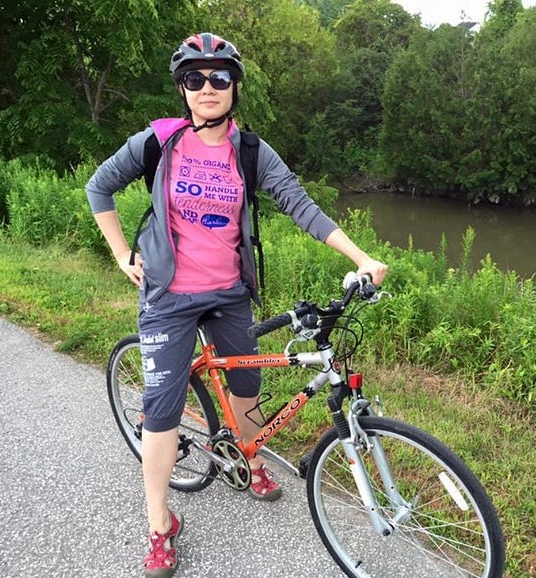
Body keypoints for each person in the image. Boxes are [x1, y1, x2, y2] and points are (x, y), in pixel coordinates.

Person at [85, 32, 388, 578]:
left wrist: (361, 255)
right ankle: (159, 523)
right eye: (194, 79)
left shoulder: (250, 152)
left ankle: (248, 457)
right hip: (168, 297)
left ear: (234, 87)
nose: (207, 88)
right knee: (162, 410)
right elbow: (98, 188)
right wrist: (120, 253)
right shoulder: (158, 141)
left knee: (247, 389)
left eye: (219, 77)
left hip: (229, 294)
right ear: (182, 88)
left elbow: (300, 204)